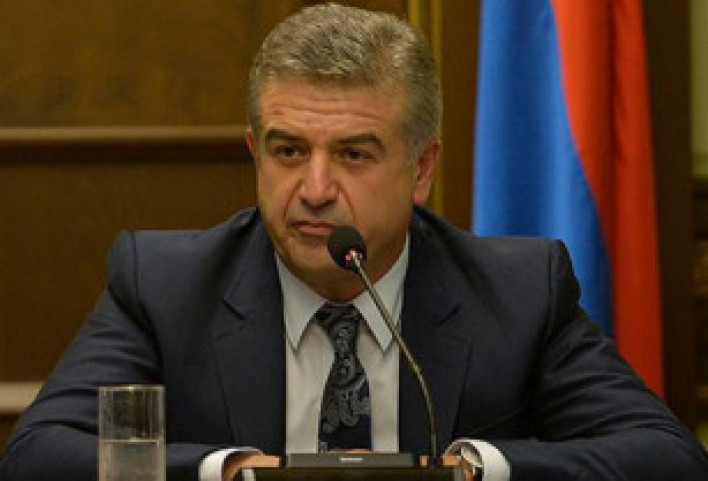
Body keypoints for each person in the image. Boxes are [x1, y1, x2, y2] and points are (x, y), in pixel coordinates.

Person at [1, 3, 707, 481]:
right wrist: (230, 471)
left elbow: (665, 455)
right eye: (287, 151)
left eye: (354, 155)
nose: (314, 189)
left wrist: (474, 469)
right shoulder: (165, 284)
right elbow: (37, 454)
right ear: (254, 152)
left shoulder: (518, 291)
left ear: (422, 169)